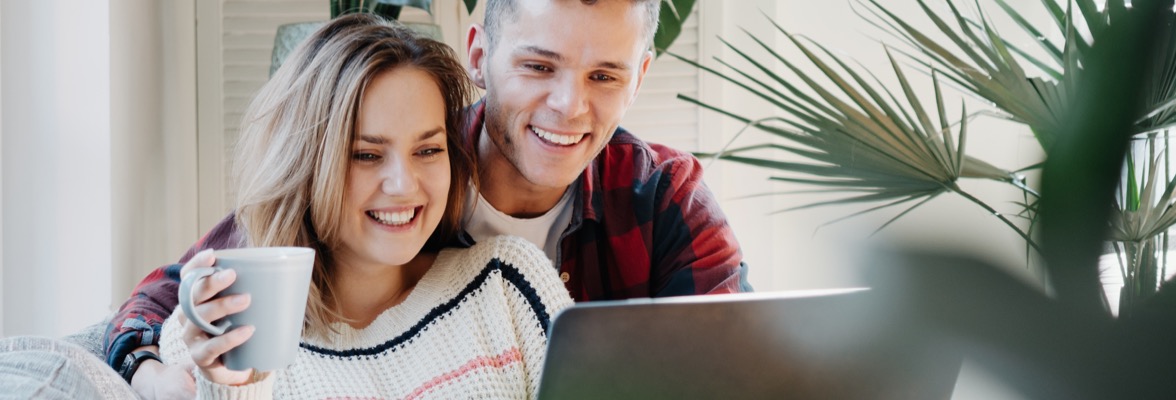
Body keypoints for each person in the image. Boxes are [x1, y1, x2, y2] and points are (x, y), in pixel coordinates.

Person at [107, 0, 751, 397]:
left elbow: (745, 366)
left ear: (638, 78)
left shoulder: (663, 198)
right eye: (537, 66)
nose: (568, 105)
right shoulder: (401, 169)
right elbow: (175, 295)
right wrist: (155, 369)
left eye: (604, 76)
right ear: (480, 54)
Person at [155, 14, 573, 398]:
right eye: (366, 155)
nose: (403, 185)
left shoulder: (509, 285)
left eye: (427, 150)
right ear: (303, 166)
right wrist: (232, 386)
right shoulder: (206, 331)